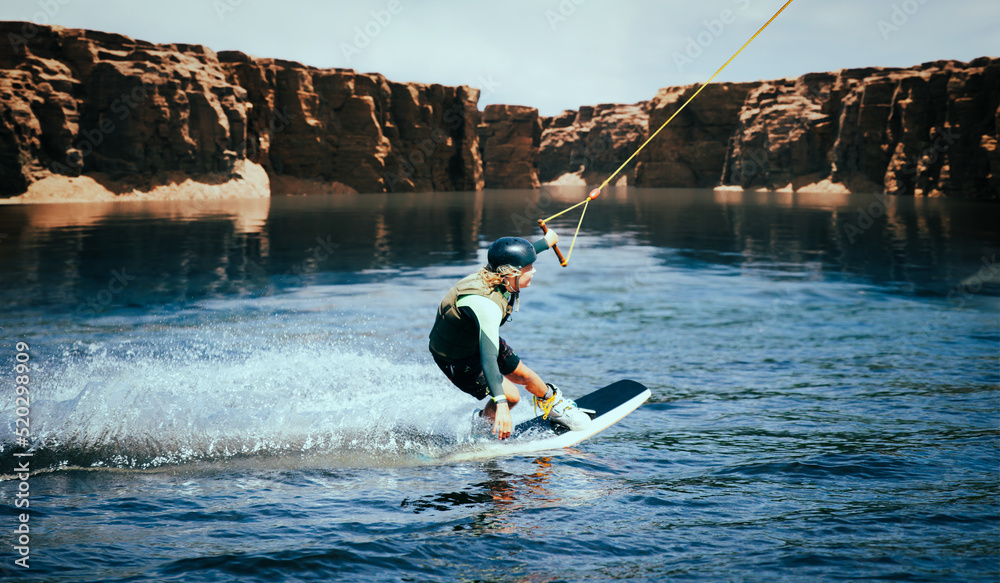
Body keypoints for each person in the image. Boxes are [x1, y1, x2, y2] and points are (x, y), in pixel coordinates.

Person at [429, 230, 591, 440]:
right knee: (512, 397)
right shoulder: (486, 305)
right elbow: (488, 360)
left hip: (475, 338)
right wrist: (502, 405)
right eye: (529, 268)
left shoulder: (499, 273)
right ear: (511, 273)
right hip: (455, 358)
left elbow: (515, 255)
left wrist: (546, 242)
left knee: (526, 376)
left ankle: (554, 406)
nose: (534, 271)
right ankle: (481, 429)